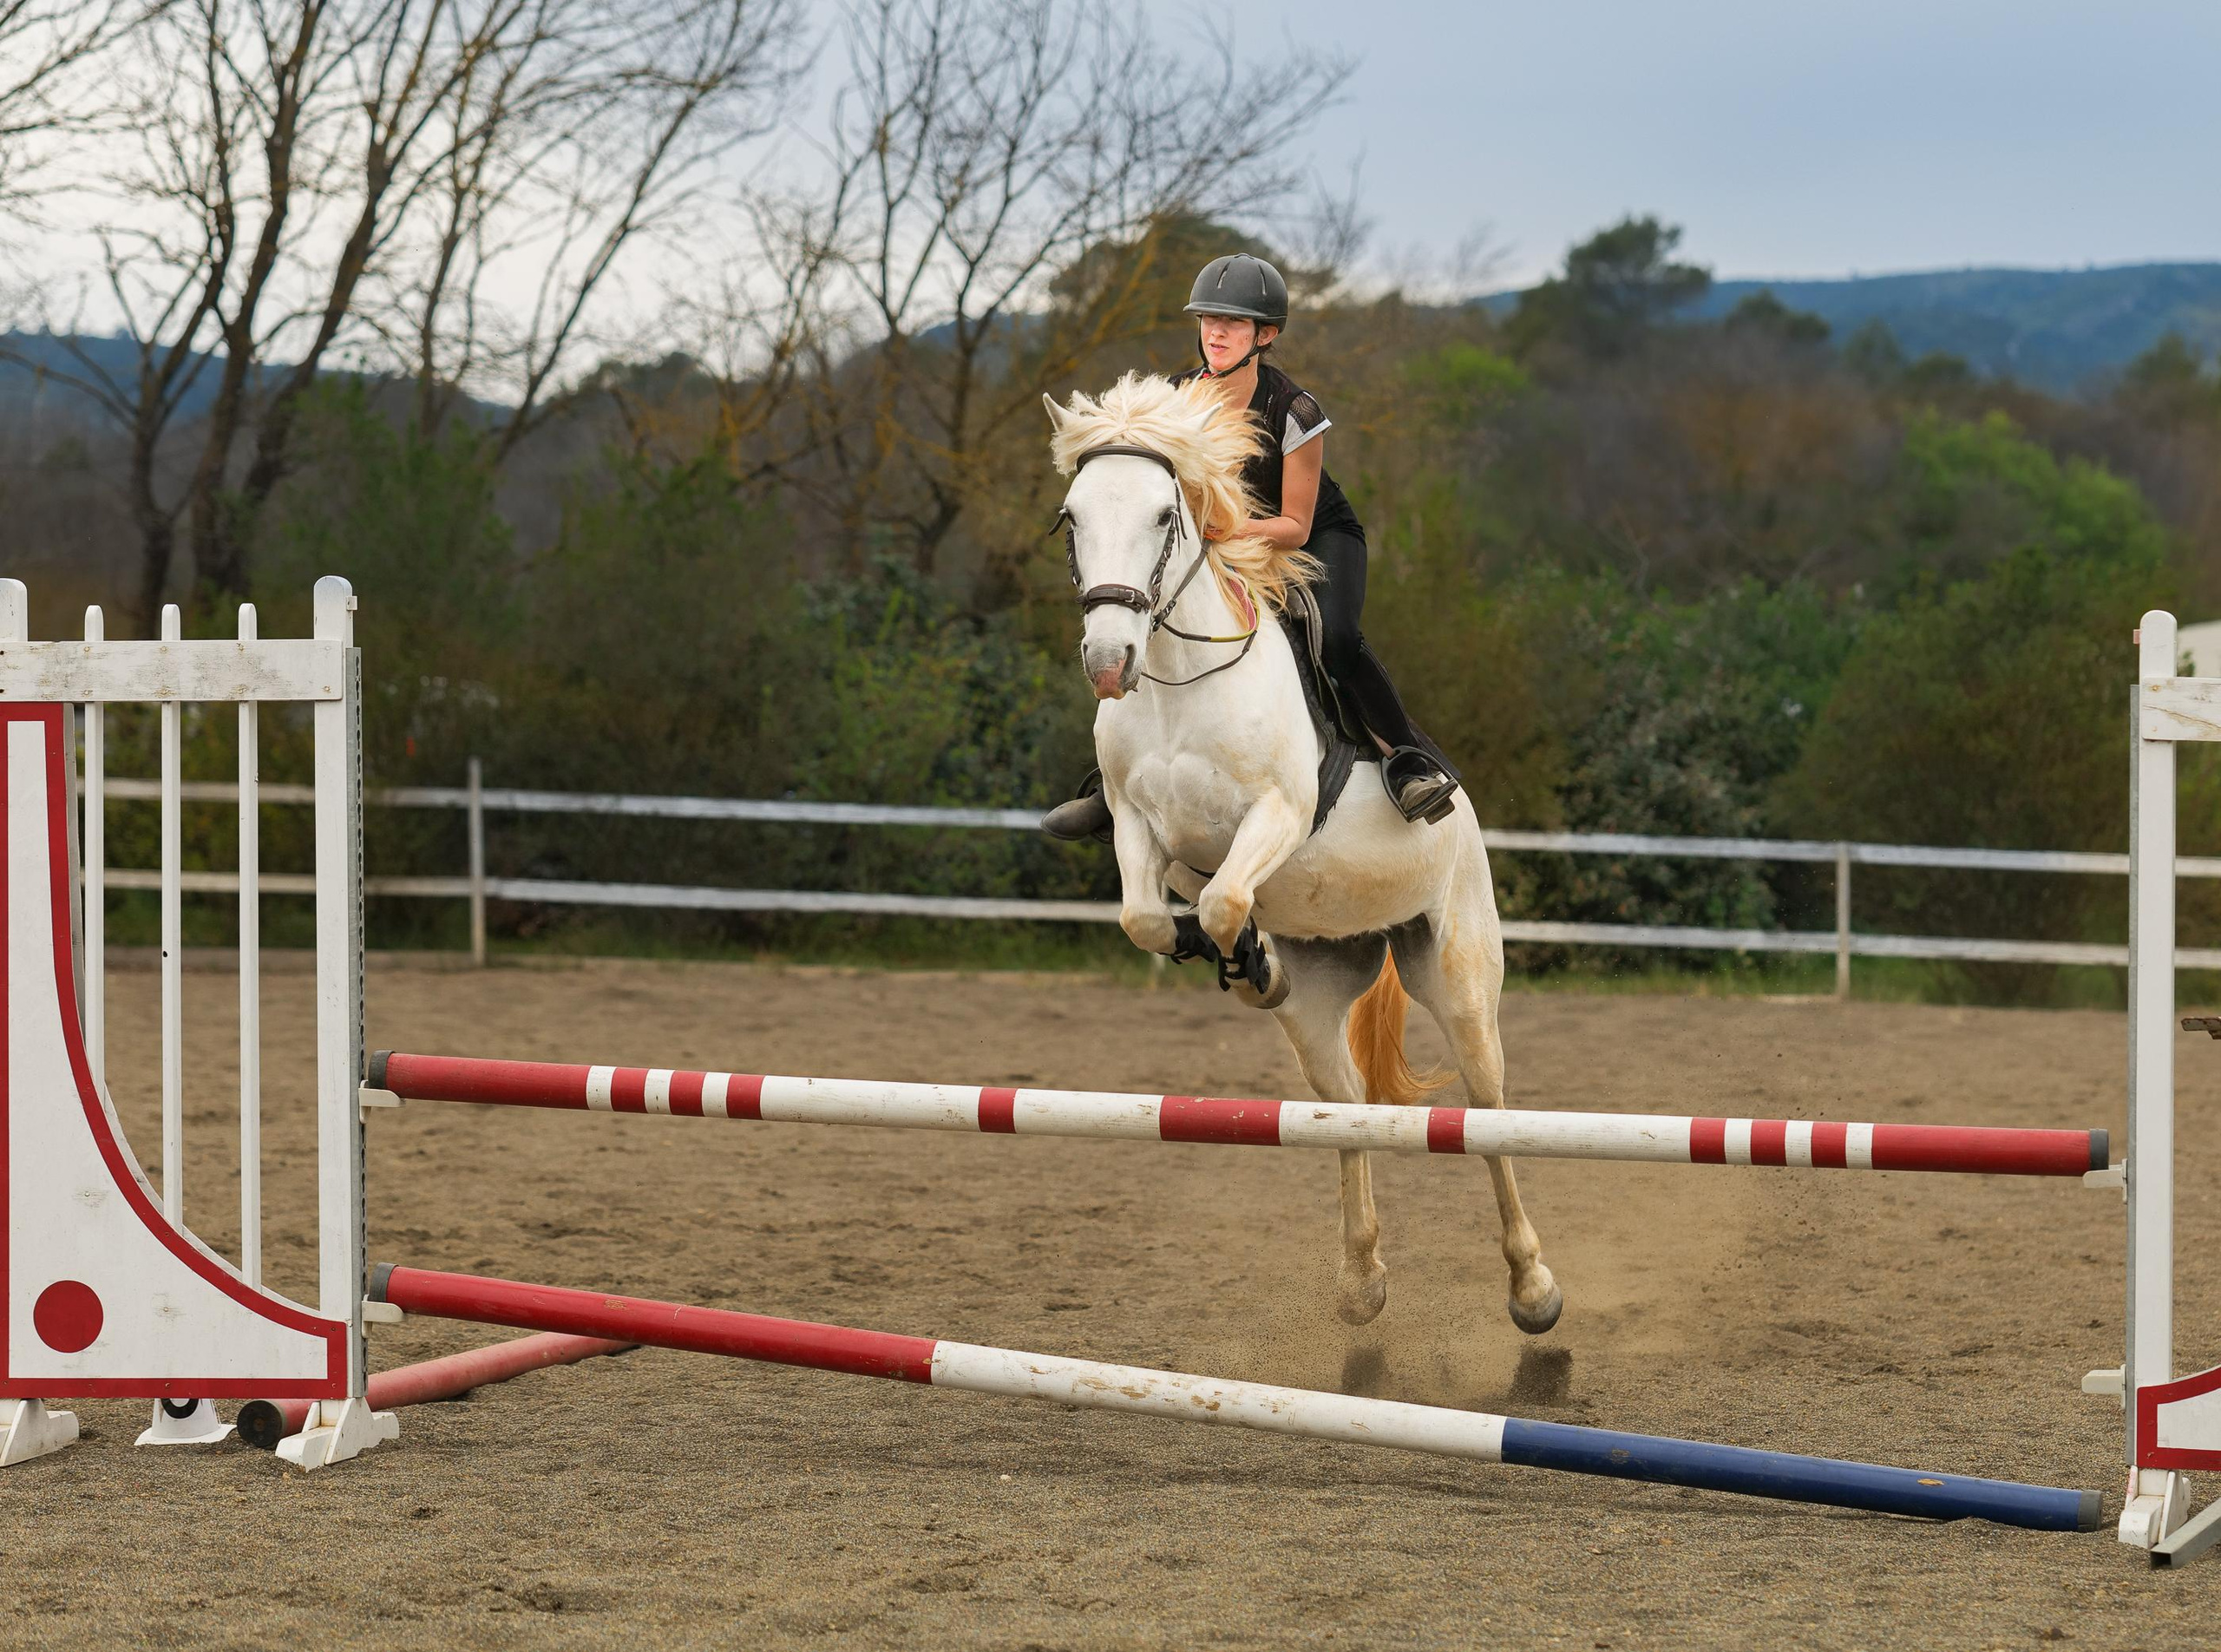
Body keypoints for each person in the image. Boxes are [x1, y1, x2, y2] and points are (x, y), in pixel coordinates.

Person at [1042, 252, 1461, 842]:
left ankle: (1407, 761)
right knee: (1148, 622)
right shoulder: (1175, 397)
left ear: (1265, 335)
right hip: (1217, 538)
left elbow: (1293, 524)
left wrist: (1219, 534)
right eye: (1209, 320)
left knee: (1332, 637)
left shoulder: (1296, 410)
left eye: (1233, 323)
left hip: (1309, 536)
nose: (1215, 333)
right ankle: (1113, 791)